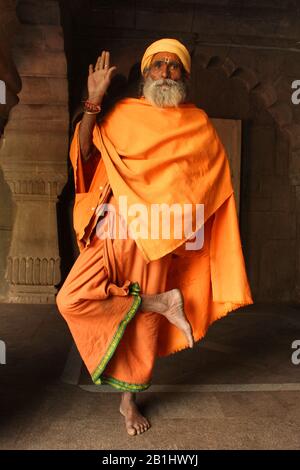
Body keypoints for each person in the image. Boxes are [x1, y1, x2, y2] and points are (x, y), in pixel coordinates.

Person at [56, 38, 253, 436]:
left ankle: (129, 401)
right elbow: (85, 153)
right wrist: (93, 100)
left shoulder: (199, 125)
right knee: (71, 297)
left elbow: (209, 183)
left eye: (174, 66)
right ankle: (159, 302)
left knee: (143, 329)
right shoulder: (124, 114)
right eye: (158, 65)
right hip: (112, 227)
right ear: (146, 74)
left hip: (161, 236)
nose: (165, 71)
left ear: (185, 76)